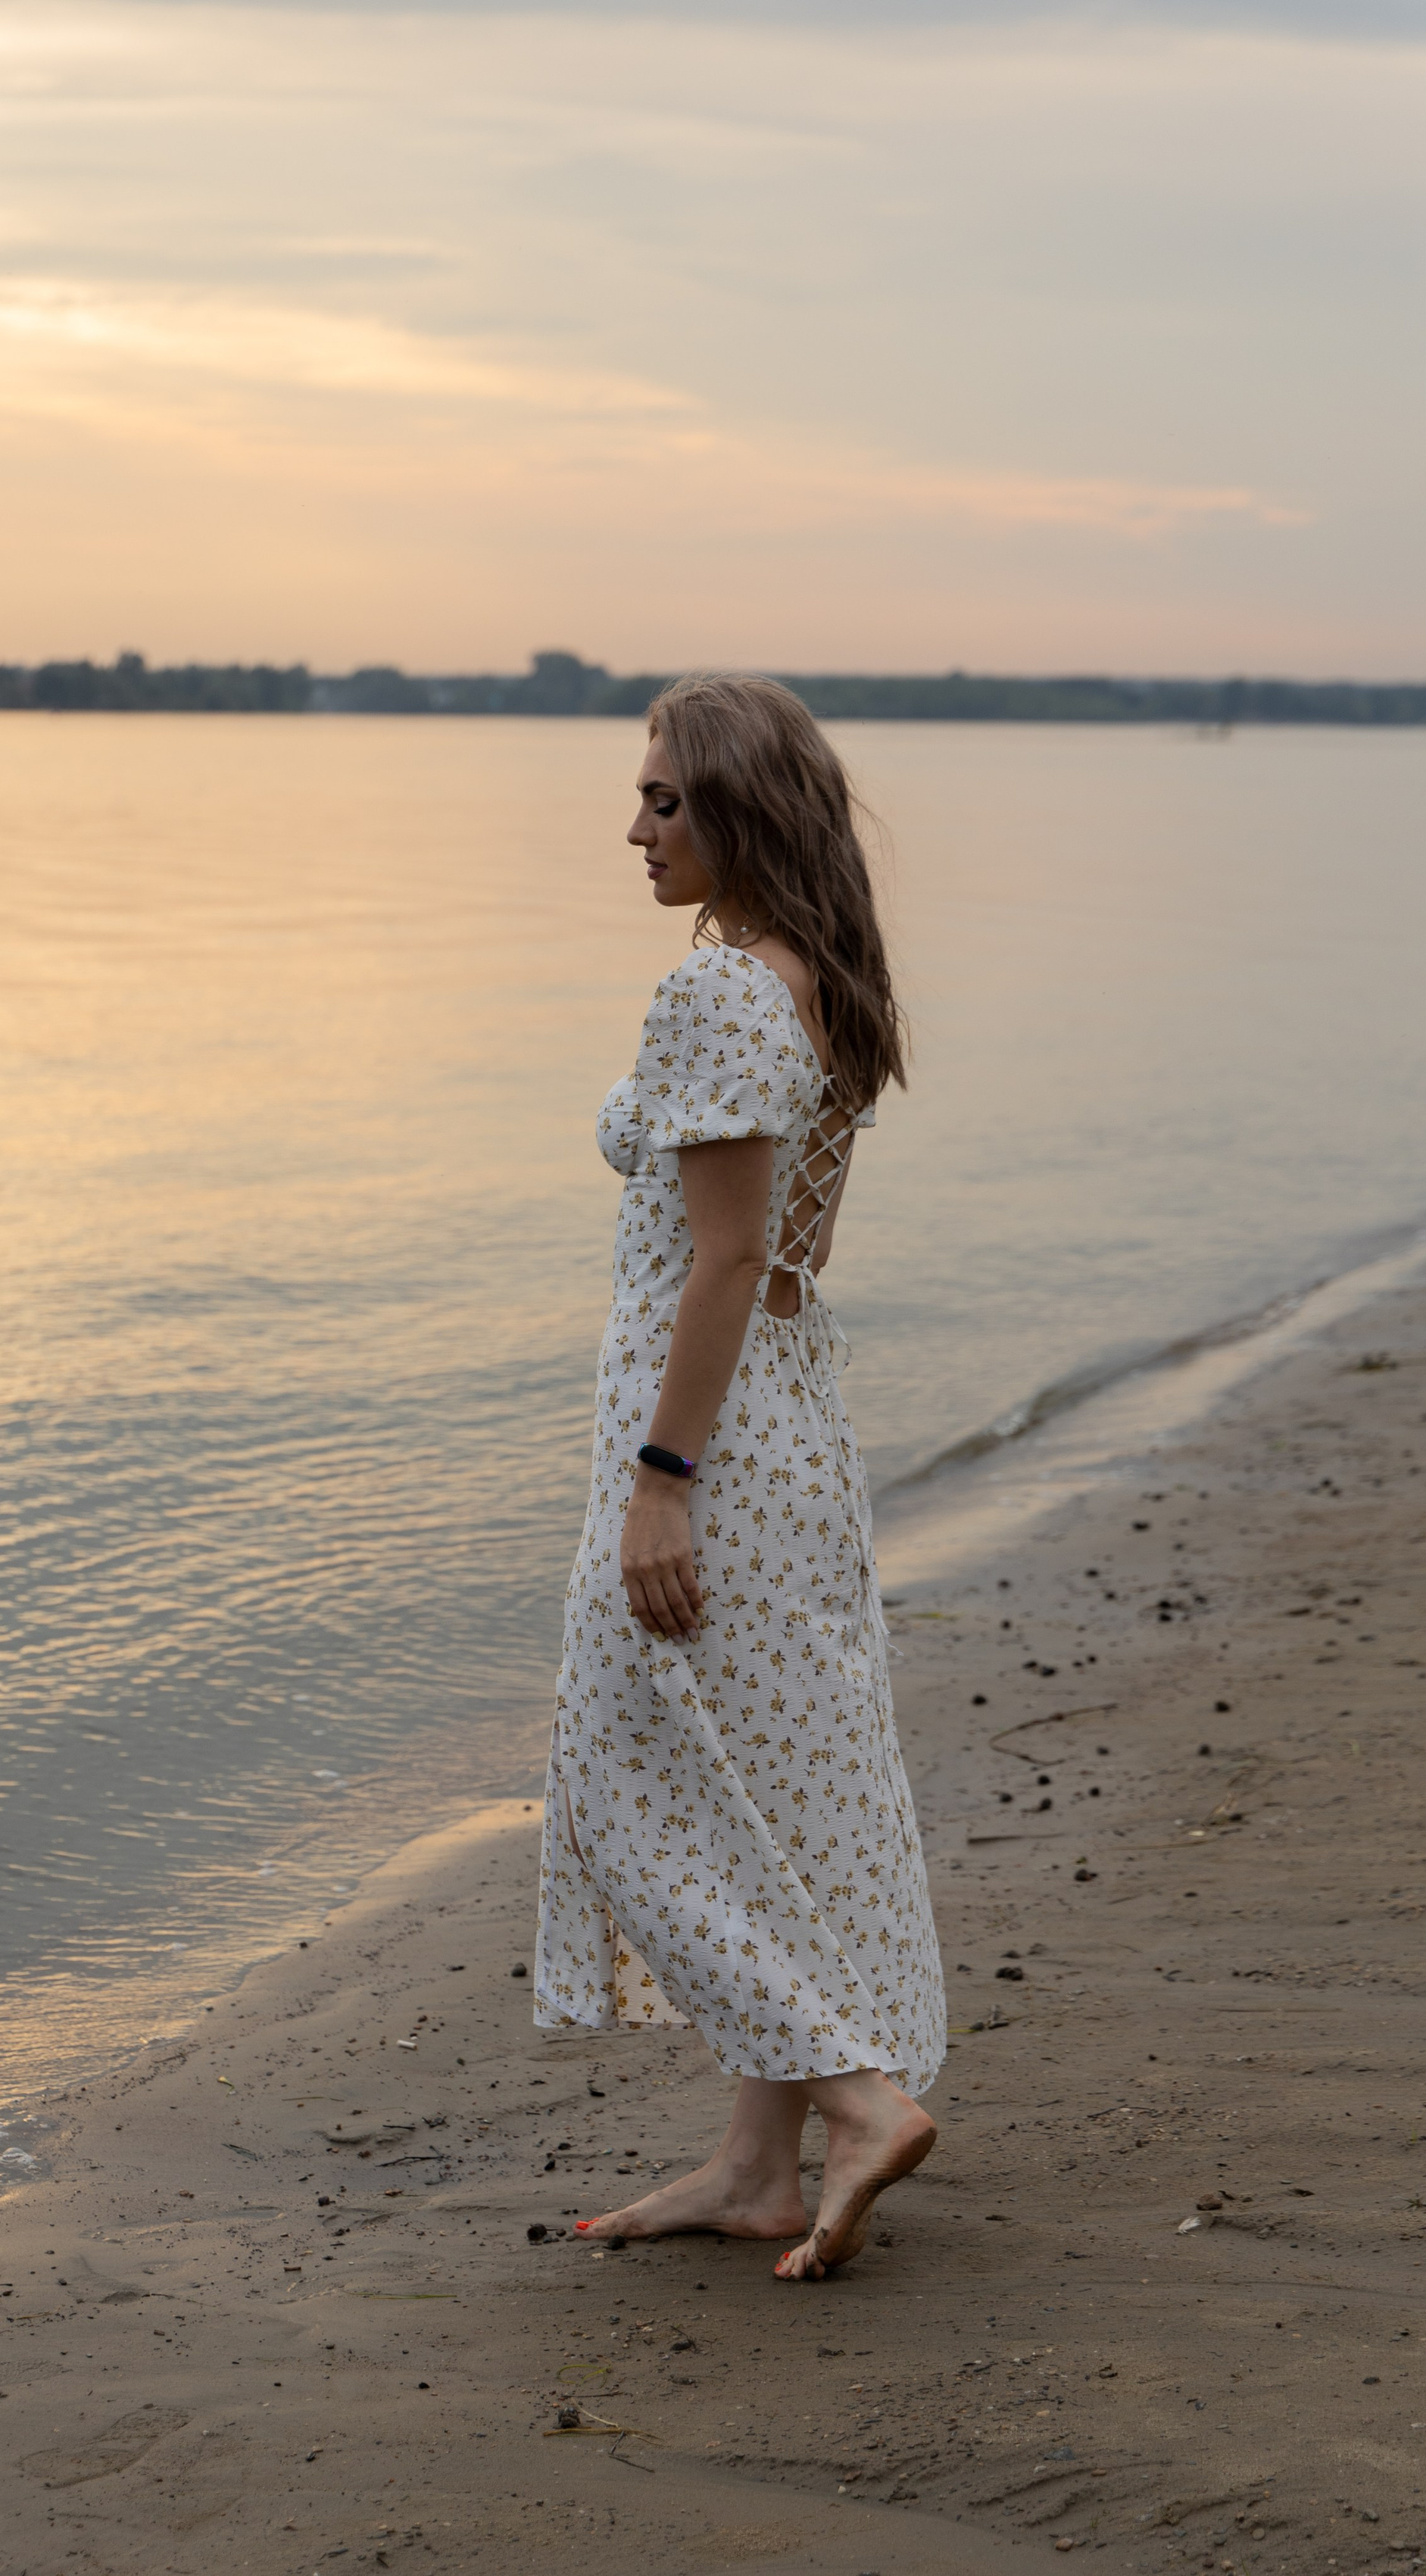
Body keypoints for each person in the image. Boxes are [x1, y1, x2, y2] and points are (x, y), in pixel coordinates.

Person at [532, 672, 946, 2281]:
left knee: (623, 1778)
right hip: (792, 1423)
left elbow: (717, 1263)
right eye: (639, 795)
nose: (633, 827)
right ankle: (753, 2167)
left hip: (704, 1435)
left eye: (664, 800)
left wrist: (658, 1482)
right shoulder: (821, 986)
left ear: (741, 815)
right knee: (755, 1788)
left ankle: (853, 2100)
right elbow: (799, 1249)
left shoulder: (712, 997)